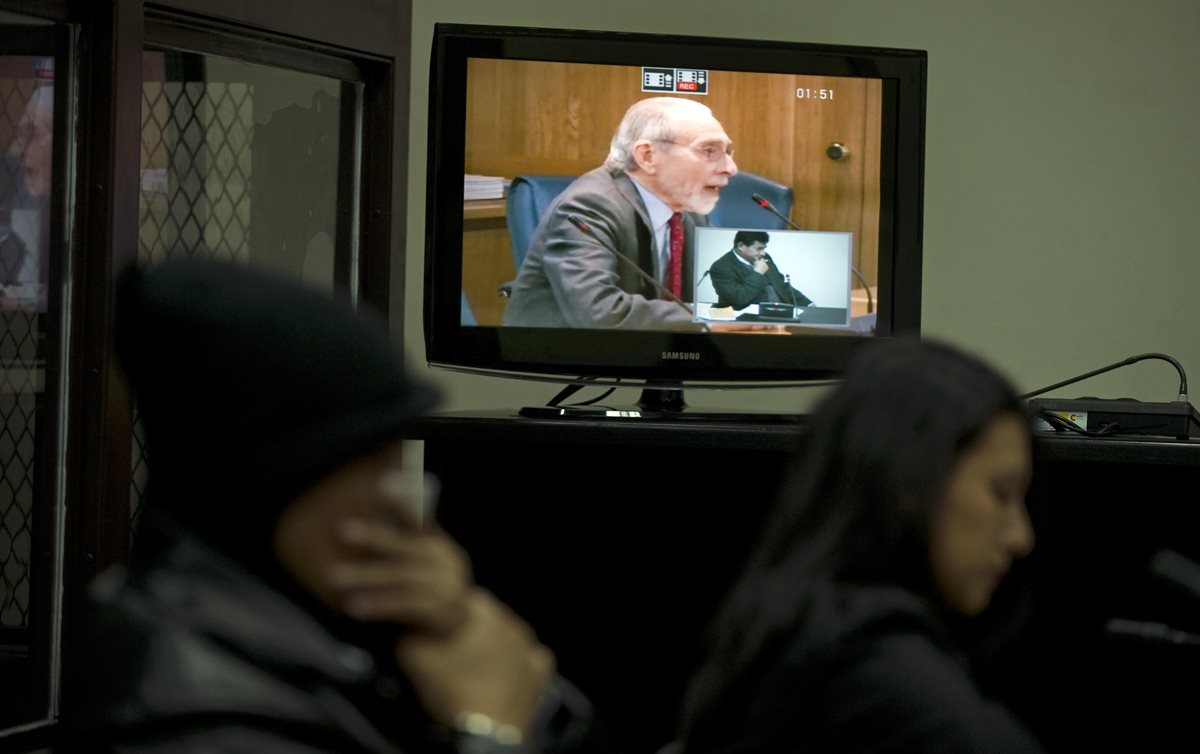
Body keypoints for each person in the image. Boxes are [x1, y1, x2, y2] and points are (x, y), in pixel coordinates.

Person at [67, 260, 604, 753]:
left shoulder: (322, 625)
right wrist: (489, 734)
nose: (406, 508)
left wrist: (458, 633)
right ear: (269, 480)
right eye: (371, 466)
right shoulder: (192, 716)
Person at [674, 338, 1044, 753]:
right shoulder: (866, 664)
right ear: (912, 481)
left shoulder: (797, 618)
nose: (1020, 538)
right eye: (1001, 492)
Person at [503, 97, 737, 330]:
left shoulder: (686, 205)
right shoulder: (589, 207)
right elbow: (599, 312)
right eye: (709, 150)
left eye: (727, 152)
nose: (730, 168)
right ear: (647, 156)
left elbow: (718, 286)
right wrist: (709, 318)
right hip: (561, 358)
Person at [706, 230, 812, 311]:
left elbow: (781, 285)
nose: (763, 253)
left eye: (764, 248)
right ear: (741, 246)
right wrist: (757, 273)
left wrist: (808, 304)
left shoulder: (765, 258)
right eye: (759, 248)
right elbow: (739, 298)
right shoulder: (720, 267)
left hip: (782, 311)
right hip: (750, 318)